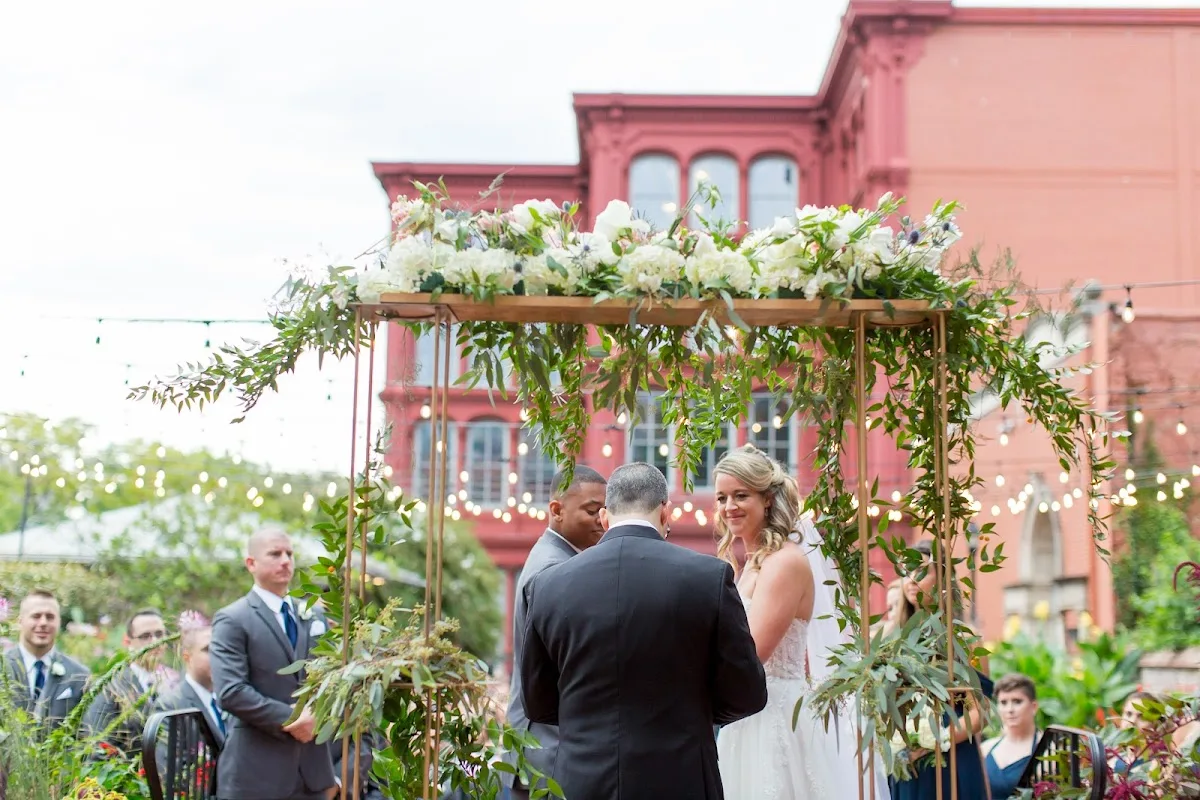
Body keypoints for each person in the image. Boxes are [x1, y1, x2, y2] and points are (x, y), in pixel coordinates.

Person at [520, 462, 766, 800]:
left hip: (581, 781)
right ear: (666, 513)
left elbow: (538, 703)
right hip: (680, 778)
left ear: (605, 517)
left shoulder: (547, 585)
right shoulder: (708, 578)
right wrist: (694, 714)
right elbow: (748, 693)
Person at [711, 445, 890, 800]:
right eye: (721, 497)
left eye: (740, 495)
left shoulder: (783, 563)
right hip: (747, 716)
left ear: (767, 499)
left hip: (773, 715)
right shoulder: (754, 564)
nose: (728, 506)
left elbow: (752, 653)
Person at [502, 465, 607, 800]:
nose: (601, 521)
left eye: (604, 512)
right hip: (547, 748)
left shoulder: (557, 560)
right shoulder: (554, 569)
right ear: (557, 510)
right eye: (592, 511)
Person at [210, 528, 336, 800]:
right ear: (251, 564)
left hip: (312, 774)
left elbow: (332, 676)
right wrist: (291, 719)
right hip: (256, 774)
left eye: (289, 553)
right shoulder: (233, 619)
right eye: (275, 554)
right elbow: (231, 691)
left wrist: (319, 710)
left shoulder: (314, 615)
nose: (285, 561)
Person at [890, 538, 993, 800]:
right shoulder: (893, 638)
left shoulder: (963, 638)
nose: (912, 579)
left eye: (921, 570)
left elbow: (980, 713)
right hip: (906, 762)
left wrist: (934, 742)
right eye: (907, 571)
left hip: (953, 761)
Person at [83, 608, 170, 757]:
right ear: (127, 641)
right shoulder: (110, 687)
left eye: (159, 634)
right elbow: (95, 748)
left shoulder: (171, 684)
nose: (155, 641)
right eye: (145, 636)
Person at [2, 590, 90, 731]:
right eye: (36, 616)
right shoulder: (2, 667)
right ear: (20, 621)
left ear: (59, 622)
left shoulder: (79, 676)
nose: (43, 623)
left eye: (50, 617)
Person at [157, 612, 227, 747]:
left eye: (220, 648)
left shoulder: (231, 698)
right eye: (207, 649)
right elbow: (168, 762)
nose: (216, 655)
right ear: (187, 656)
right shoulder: (171, 705)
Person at [983, 673, 1040, 800]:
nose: (1010, 709)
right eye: (1003, 702)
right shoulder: (985, 749)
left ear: (1034, 707)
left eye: (1017, 701)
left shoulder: (1047, 750)